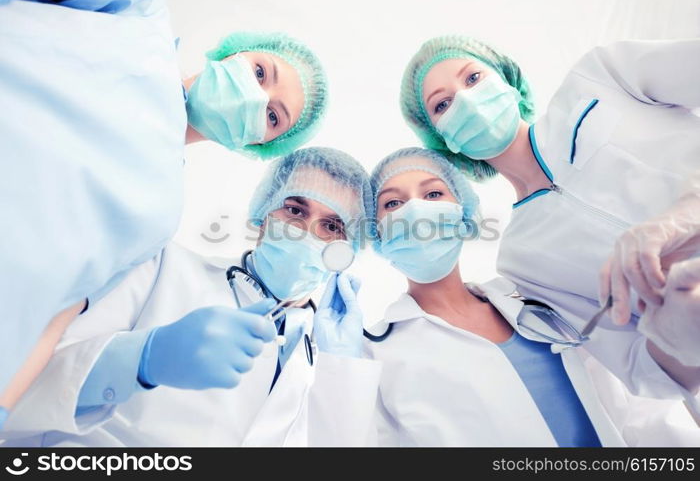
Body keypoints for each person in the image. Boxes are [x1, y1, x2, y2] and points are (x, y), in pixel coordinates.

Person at [0, 0, 328, 420]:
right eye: (260, 72)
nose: (255, 95)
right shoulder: (137, 16)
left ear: (255, 145)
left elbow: (54, 316)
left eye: (271, 117)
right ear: (232, 53)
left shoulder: (159, 215)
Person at [0, 147, 379, 446]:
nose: (307, 232)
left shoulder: (331, 351)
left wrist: (342, 370)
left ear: (347, 249)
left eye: (331, 226)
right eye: (295, 209)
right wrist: (142, 359)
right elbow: (23, 384)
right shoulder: (162, 266)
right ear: (264, 214)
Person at [398, 35, 700, 402]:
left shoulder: (600, 77)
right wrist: (680, 329)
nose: (467, 101)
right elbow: (644, 371)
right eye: (443, 104)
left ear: (507, 80)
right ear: (445, 142)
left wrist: (688, 211)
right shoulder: (522, 259)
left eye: (473, 78)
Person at [364, 147, 700, 446]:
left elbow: (638, 408)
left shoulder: (536, 297)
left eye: (434, 194)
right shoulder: (375, 354)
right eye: (393, 203)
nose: (415, 210)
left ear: (464, 213)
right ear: (375, 232)